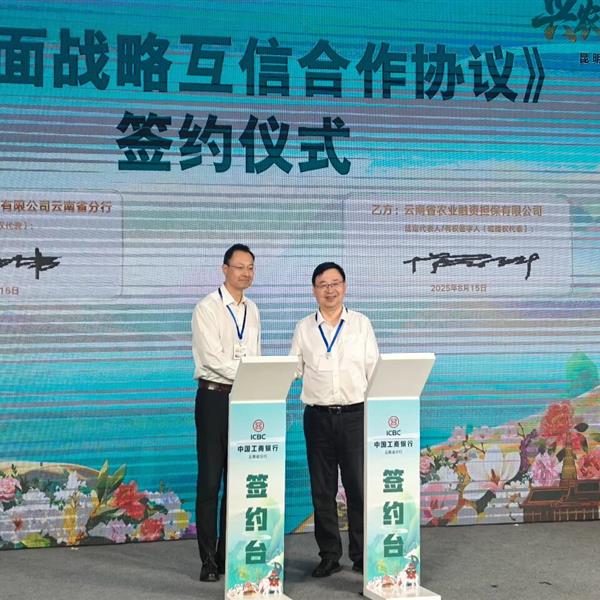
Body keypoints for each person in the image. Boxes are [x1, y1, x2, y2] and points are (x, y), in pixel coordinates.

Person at [290, 262, 379, 578]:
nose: (330, 290)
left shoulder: (361, 324)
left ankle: (361, 554)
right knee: (322, 490)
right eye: (323, 284)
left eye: (335, 283)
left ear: (345, 286)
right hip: (317, 418)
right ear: (314, 291)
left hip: (355, 416)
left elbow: (374, 371)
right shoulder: (304, 328)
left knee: (358, 488)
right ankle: (329, 555)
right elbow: (292, 370)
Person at [191, 244, 261, 582]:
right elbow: (212, 360)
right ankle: (207, 560)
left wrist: (259, 382)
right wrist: (252, 374)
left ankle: (226, 554)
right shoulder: (207, 307)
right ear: (225, 269)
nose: (246, 273)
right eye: (240, 266)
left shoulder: (253, 309)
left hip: (244, 399)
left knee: (237, 481)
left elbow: (255, 354)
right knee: (210, 481)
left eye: (251, 268)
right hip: (214, 399)